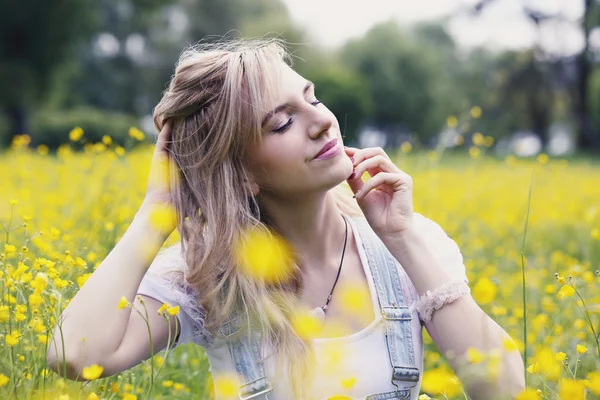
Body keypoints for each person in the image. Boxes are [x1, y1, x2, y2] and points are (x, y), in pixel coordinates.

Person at [47, 38, 525, 400]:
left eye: (312, 99)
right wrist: (158, 210)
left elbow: (504, 388)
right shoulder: (203, 277)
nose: (322, 121)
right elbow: (75, 355)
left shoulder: (410, 247)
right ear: (241, 174)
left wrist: (401, 238)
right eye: (281, 123)